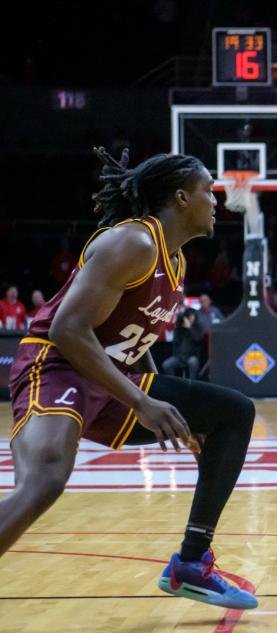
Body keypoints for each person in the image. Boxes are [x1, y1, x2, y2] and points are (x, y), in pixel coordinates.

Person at [0, 147, 257, 609]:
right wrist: (142, 402)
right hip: (58, 366)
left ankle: (191, 564)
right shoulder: (133, 243)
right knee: (44, 481)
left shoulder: (173, 262)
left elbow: (133, 343)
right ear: (180, 197)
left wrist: (169, 402)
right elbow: (67, 330)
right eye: (208, 191)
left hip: (110, 376)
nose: (216, 200)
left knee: (232, 413)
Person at [162, 308, 204, 379]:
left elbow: (197, 339)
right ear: (186, 317)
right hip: (179, 356)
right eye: (190, 316)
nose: (192, 318)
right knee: (166, 365)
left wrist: (189, 328)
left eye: (193, 316)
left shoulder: (198, 327)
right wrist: (180, 327)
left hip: (191, 356)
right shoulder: (180, 328)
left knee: (193, 362)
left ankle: (192, 384)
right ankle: (173, 382)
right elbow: (176, 342)